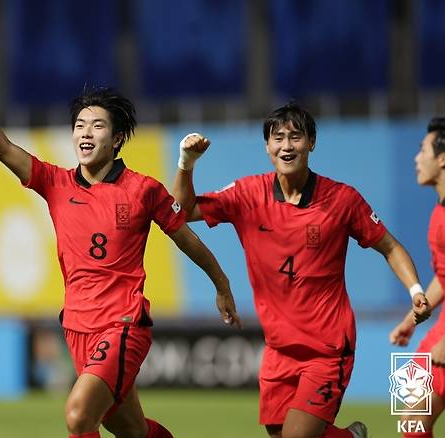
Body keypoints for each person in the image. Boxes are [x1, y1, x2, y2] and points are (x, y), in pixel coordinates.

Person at [0, 46, 241, 438]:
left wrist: (221, 284)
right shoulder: (55, 183)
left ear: (118, 138)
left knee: (77, 416)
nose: (85, 133)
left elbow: (185, 238)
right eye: (80, 125)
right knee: (135, 432)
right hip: (77, 328)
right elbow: (0, 146)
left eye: (97, 126)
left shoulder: (142, 190)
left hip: (124, 325)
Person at [171, 102, 432, 438]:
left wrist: (415, 291)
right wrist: (186, 162)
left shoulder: (342, 199)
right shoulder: (247, 194)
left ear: (311, 143)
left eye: (295, 137)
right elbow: (180, 211)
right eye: (277, 138)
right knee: (281, 434)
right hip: (279, 349)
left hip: (327, 348)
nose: (286, 145)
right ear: (267, 146)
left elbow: (391, 246)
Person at [390, 117, 445, 438]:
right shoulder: (439, 210)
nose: (416, 158)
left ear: (442, 158)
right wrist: (411, 319)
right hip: (437, 329)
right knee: (410, 420)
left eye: (422, 149)